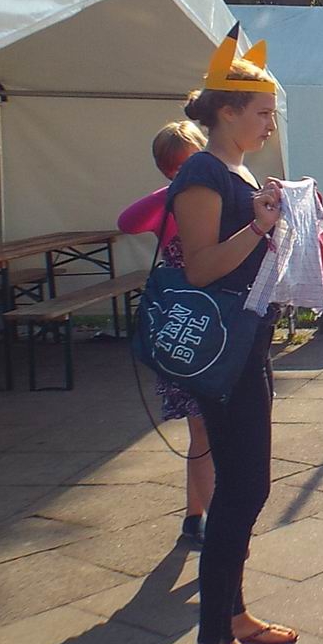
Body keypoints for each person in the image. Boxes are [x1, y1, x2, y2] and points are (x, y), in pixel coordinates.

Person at [172, 29, 295, 644]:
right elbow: (199, 268)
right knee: (241, 488)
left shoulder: (237, 172)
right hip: (222, 354)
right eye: (262, 112)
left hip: (247, 345)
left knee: (250, 486)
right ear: (227, 110)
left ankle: (232, 614)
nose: (269, 124)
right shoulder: (202, 171)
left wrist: (278, 221)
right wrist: (259, 226)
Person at [116, 119, 214, 549]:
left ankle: (196, 515)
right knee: (204, 430)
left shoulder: (211, 194)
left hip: (203, 323)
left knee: (206, 432)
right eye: (175, 166)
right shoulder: (179, 200)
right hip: (192, 327)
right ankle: (207, 519)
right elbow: (127, 221)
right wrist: (177, 186)